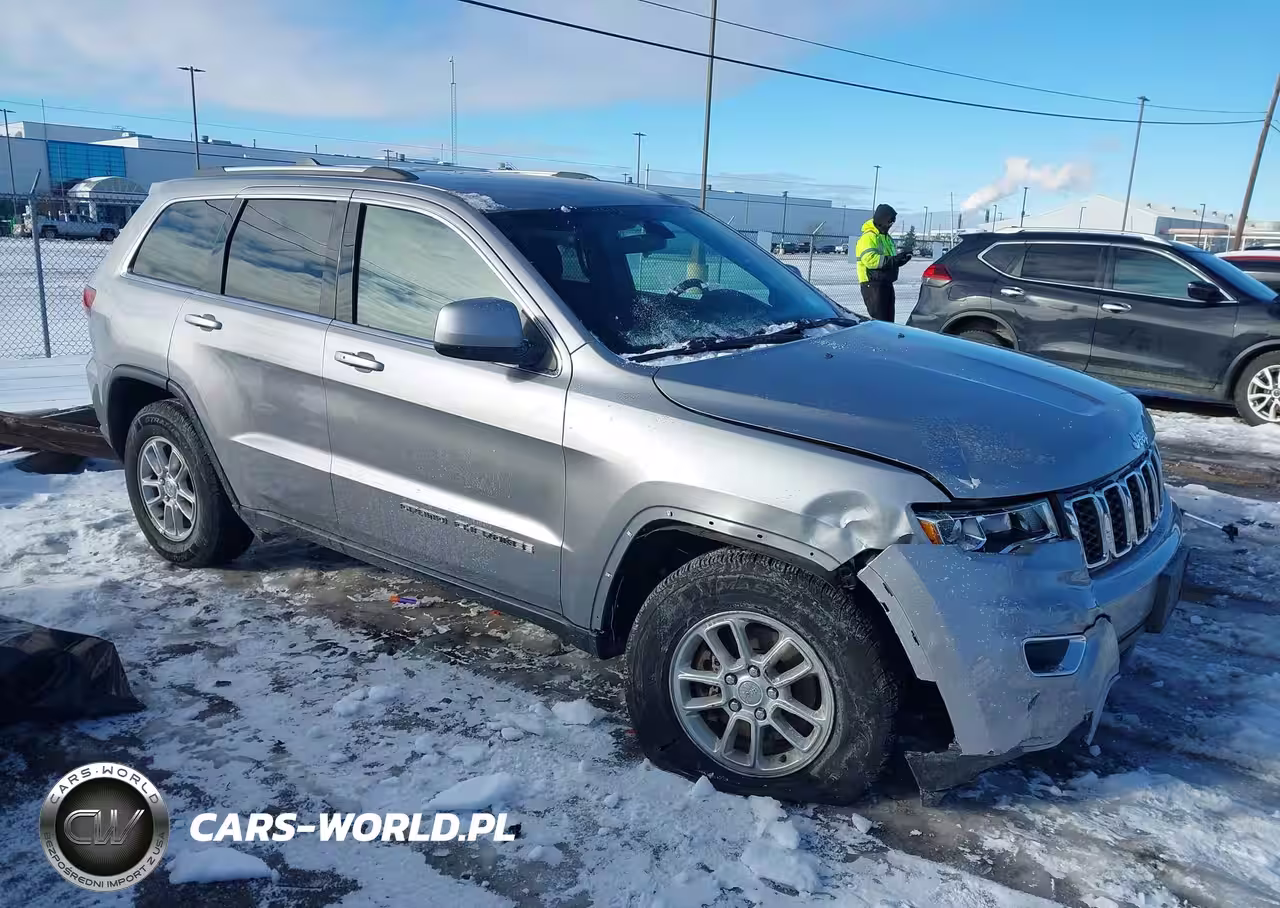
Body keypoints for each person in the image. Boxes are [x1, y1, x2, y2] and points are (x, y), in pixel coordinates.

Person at [855, 204, 912, 322]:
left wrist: (900, 259)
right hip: (872, 284)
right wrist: (894, 260)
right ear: (882, 220)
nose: (891, 225)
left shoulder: (886, 237)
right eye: (889, 222)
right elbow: (870, 260)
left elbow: (889, 259)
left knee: (889, 322)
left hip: (886, 282)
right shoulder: (869, 237)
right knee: (880, 321)